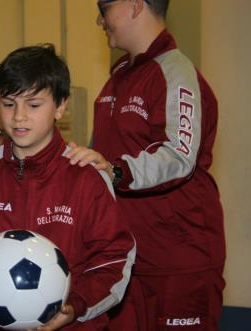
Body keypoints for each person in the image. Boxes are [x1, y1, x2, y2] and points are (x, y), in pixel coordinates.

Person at [0, 44, 136, 330]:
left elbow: (114, 259)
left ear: (60, 106)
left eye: (33, 105)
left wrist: (76, 306)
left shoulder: (86, 177)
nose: (19, 116)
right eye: (9, 104)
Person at [65, 1, 226, 329]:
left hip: (177, 261)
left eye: (104, 8)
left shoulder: (175, 71)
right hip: (125, 260)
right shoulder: (118, 77)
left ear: (135, 5)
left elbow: (180, 156)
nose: (99, 19)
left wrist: (117, 171)